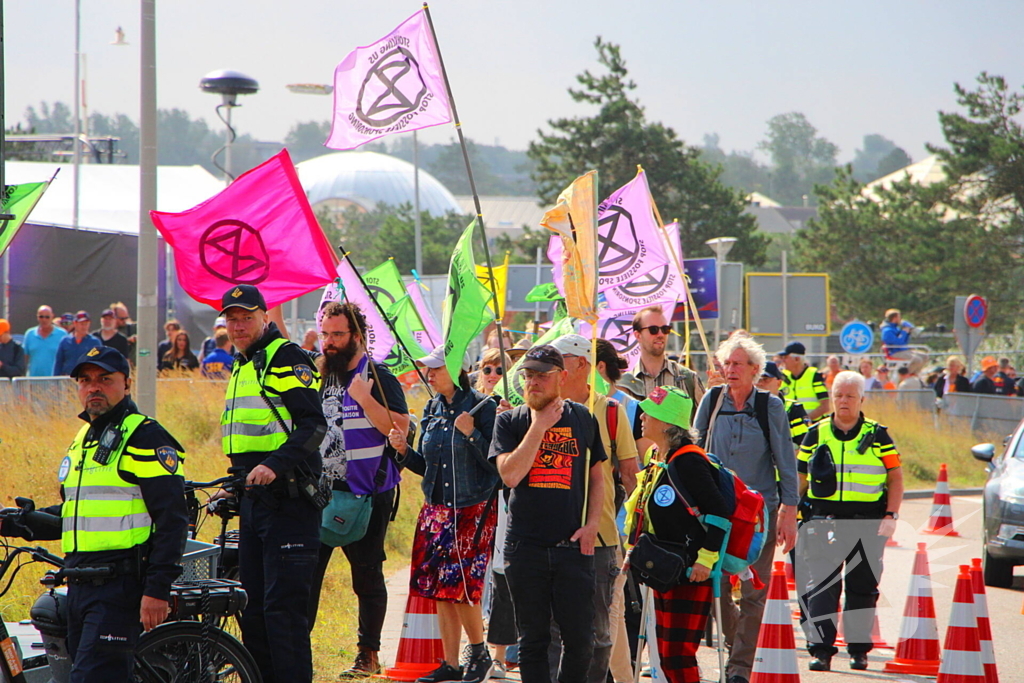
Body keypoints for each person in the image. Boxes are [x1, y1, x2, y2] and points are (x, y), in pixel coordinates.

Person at [0, 346, 188, 682]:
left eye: (105, 379)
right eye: (85, 380)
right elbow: (77, 513)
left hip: (119, 585)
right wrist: (18, 522)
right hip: (80, 583)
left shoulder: (144, 435)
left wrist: (157, 589)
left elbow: (173, 519)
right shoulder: (85, 437)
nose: (93, 387)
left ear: (126, 384)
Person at [218, 284, 327, 683]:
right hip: (254, 499)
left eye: (246, 316)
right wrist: (233, 483)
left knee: (284, 613)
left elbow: (314, 426)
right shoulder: (243, 363)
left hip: (290, 500)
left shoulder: (286, 357)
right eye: (231, 318)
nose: (238, 325)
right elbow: (250, 437)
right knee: (253, 611)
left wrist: (273, 466)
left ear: (265, 317)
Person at [489, 345, 606, 683]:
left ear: (562, 377)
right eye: (528, 375)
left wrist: (592, 525)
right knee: (533, 641)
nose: (534, 382)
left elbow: (597, 477)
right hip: (526, 548)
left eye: (542, 375)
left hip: (573, 547)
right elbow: (510, 475)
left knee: (581, 642)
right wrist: (539, 426)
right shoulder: (509, 422)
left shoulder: (583, 418)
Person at [307, 300, 409, 678]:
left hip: (367, 494)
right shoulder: (317, 376)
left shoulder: (377, 377)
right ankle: (298, 651)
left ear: (357, 337)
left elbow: (399, 430)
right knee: (307, 575)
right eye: (326, 335)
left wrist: (365, 399)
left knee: (366, 576)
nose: (330, 343)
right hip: (319, 493)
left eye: (338, 334)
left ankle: (368, 654)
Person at [387, 346, 499, 683]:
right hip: (436, 509)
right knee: (438, 587)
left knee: (462, 586)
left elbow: (497, 466)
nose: (429, 373)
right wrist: (404, 452)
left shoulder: (483, 406)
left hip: (473, 507)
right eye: (428, 368)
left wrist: (473, 434)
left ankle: (478, 653)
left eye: (436, 368)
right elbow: (428, 468)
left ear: (457, 369)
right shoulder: (432, 408)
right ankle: (451, 663)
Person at [693, 335, 798, 683]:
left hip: (758, 516)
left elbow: (786, 462)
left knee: (755, 593)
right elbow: (695, 456)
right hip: (717, 513)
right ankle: (738, 641)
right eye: (727, 363)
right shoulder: (711, 400)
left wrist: (789, 512)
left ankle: (739, 669)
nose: (731, 369)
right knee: (713, 585)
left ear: (755, 370)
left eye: (738, 364)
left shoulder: (770, 407)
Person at [795, 371, 903, 672]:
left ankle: (858, 650)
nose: (843, 401)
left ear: (861, 399)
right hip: (823, 522)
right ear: (832, 398)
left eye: (850, 396)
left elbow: (895, 478)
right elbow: (800, 478)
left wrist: (891, 516)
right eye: (839, 395)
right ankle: (821, 650)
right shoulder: (815, 434)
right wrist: (789, 514)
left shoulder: (878, 436)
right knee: (821, 586)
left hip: (867, 524)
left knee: (863, 588)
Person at [547, 334, 639, 683]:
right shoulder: (542, 408)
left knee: (600, 633)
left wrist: (634, 532)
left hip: (601, 539)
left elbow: (631, 476)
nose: (552, 369)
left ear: (580, 365)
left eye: (560, 361)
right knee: (553, 632)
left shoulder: (612, 411)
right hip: (551, 538)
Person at [624, 386, 730, 683]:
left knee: (677, 654)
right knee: (666, 653)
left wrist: (705, 561)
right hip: (663, 568)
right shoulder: (658, 455)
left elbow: (720, 513)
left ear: (668, 424)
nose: (643, 417)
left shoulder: (689, 461)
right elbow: (643, 508)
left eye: (651, 413)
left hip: (691, 572)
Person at [619, 305, 705, 412]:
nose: (660, 334)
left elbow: (705, 422)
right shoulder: (625, 384)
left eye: (665, 329)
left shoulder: (688, 378)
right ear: (638, 335)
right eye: (653, 329)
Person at [757, 361, 808, 447]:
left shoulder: (793, 409)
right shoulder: (746, 407)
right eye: (757, 379)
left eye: (766, 379)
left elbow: (803, 445)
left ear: (778, 383)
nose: (760, 383)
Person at [778, 342, 830, 421]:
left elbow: (825, 406)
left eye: (785, 357)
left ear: (797, 359)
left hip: (812, 426)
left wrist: (806, 420)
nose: (783, 360)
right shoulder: (783, 376)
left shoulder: (814, 376)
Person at [54, 311, 104, 375]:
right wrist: (55, 382)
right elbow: (58, 363)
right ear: (75, 323)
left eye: (86, 324)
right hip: (67, 379)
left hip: (86, 379)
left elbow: (99, 362)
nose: (84, 327)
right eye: (81, 324)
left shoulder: (94, 342)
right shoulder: (65, 341)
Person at [23, 305, 67, 376]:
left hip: (54, 381)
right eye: (41, 316)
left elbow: (66, 357)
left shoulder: (62, 334)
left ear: (52, 316)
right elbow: (24, 357)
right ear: (37, 317)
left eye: (47, 317)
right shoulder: (30, 334)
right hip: (33, 380)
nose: (44, 319)